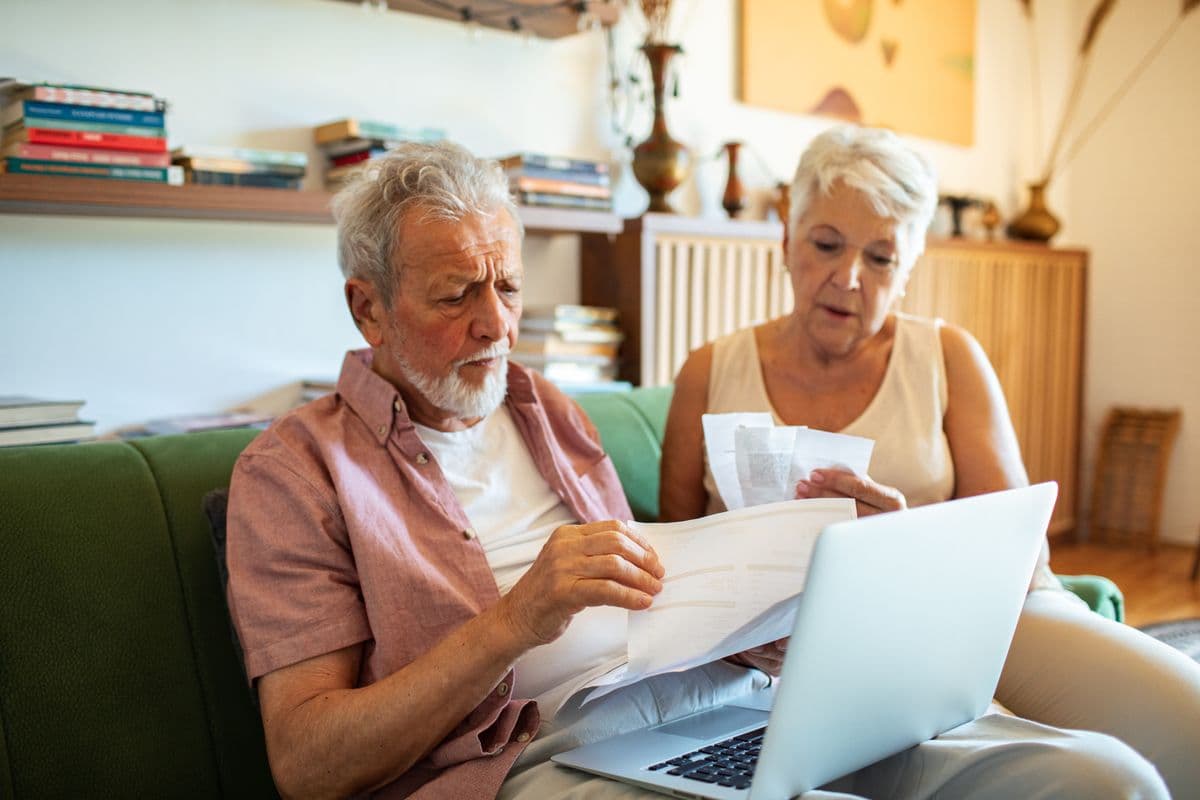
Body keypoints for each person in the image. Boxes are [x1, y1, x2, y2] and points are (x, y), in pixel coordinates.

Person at [226, 139, 1165, 800]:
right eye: (454, 294)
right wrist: (514, 622)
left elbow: (657, 589)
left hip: (741, 707)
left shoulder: (547, 409)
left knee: (1103, 779)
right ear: (368, 309)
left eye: (508, 285)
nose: (496, 324)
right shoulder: (296, 472)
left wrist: (760, 619)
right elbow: (306, 764)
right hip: (549, 758)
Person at [660, 124, 1200, 797]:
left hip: (969, 619)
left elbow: (1024, 556)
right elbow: (673, 563)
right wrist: (727, 635)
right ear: (786, 239)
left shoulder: (948, 357)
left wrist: (905, 538)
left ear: (908, 268)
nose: (848, 278)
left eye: (881, 258)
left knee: (1189, 718)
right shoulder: (709, 371)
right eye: (826, 244)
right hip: (780, 656)